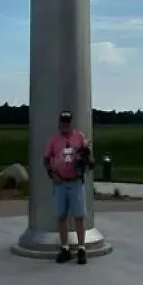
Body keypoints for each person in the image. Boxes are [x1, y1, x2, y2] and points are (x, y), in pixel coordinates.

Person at [43, 109, 94, 265]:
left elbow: (90, 160)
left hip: (75, 182)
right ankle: (64, 248)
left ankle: (81, 248)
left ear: (72, 123)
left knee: (79, 216)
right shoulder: (54, 139)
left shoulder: (80, 137)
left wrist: (86, 156)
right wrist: (52, 174)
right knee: (61, 216)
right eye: (63, 122)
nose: (65, 125)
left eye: (68, 122)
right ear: (60, 123)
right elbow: (46, 159)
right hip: (60, 183)